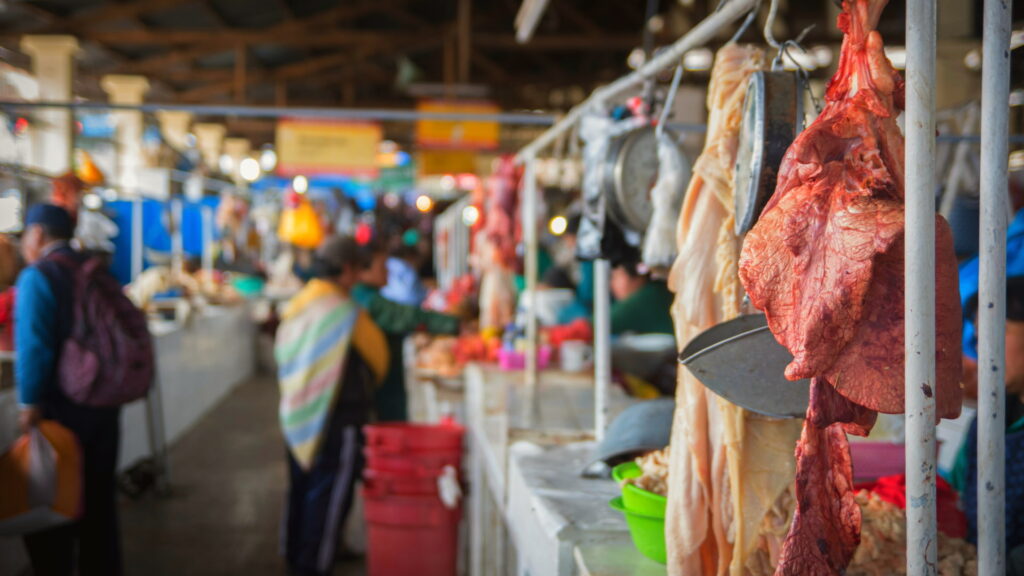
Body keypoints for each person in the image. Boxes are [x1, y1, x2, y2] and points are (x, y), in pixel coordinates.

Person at [15, 204, 123, 576]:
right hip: (103, 405)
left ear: (38, 235)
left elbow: (33, 347)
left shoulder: (38, 276)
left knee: (55, 508)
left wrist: (29, 401)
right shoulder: (91, 268)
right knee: (98, 506)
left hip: (62, 409)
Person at [274, 236, 389, 576]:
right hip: (338, 419)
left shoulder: (300, 304)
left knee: (302, 488)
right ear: (349, 270)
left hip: (298, 413)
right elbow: (376, 358)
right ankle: (314, 566)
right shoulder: (343, 311)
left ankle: (295, 556)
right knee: (328, 500)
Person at [951, 276, 1024, 573]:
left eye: (999, 332)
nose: (986, 350)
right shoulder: (986, 420)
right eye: (981, 339)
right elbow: (956, 493)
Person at [353, 243, 460, 422]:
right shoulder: (367, 299)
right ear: (365, 270)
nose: (388, 272)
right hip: (381, 390)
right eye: (382, 266)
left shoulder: (366, 295)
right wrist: (455, 324)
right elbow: (406, 316)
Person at [609, 259, 674, 335]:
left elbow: (595, 327)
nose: (611, 285)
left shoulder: (646, 298)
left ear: (638, 277)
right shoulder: (658, 290)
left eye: (617, 276)